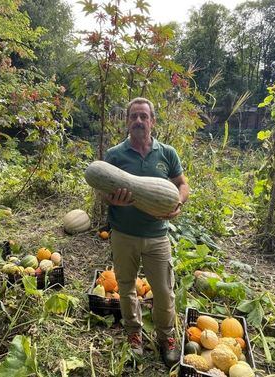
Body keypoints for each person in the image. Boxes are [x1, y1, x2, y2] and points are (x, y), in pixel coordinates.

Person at [102, 97, 189, 367]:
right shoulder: (115, 155)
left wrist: (178, 204)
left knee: (164, 291)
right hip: (123, 234)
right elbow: (103, 191)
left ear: (152, 121)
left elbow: (182, 184)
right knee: (126, 287)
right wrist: (110, 199)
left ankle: (166, 337)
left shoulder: (167, 153)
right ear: (127, 121)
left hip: (157, 235)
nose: (139, 121)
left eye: (144, 116)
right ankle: (134, 335)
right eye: (134, 117)